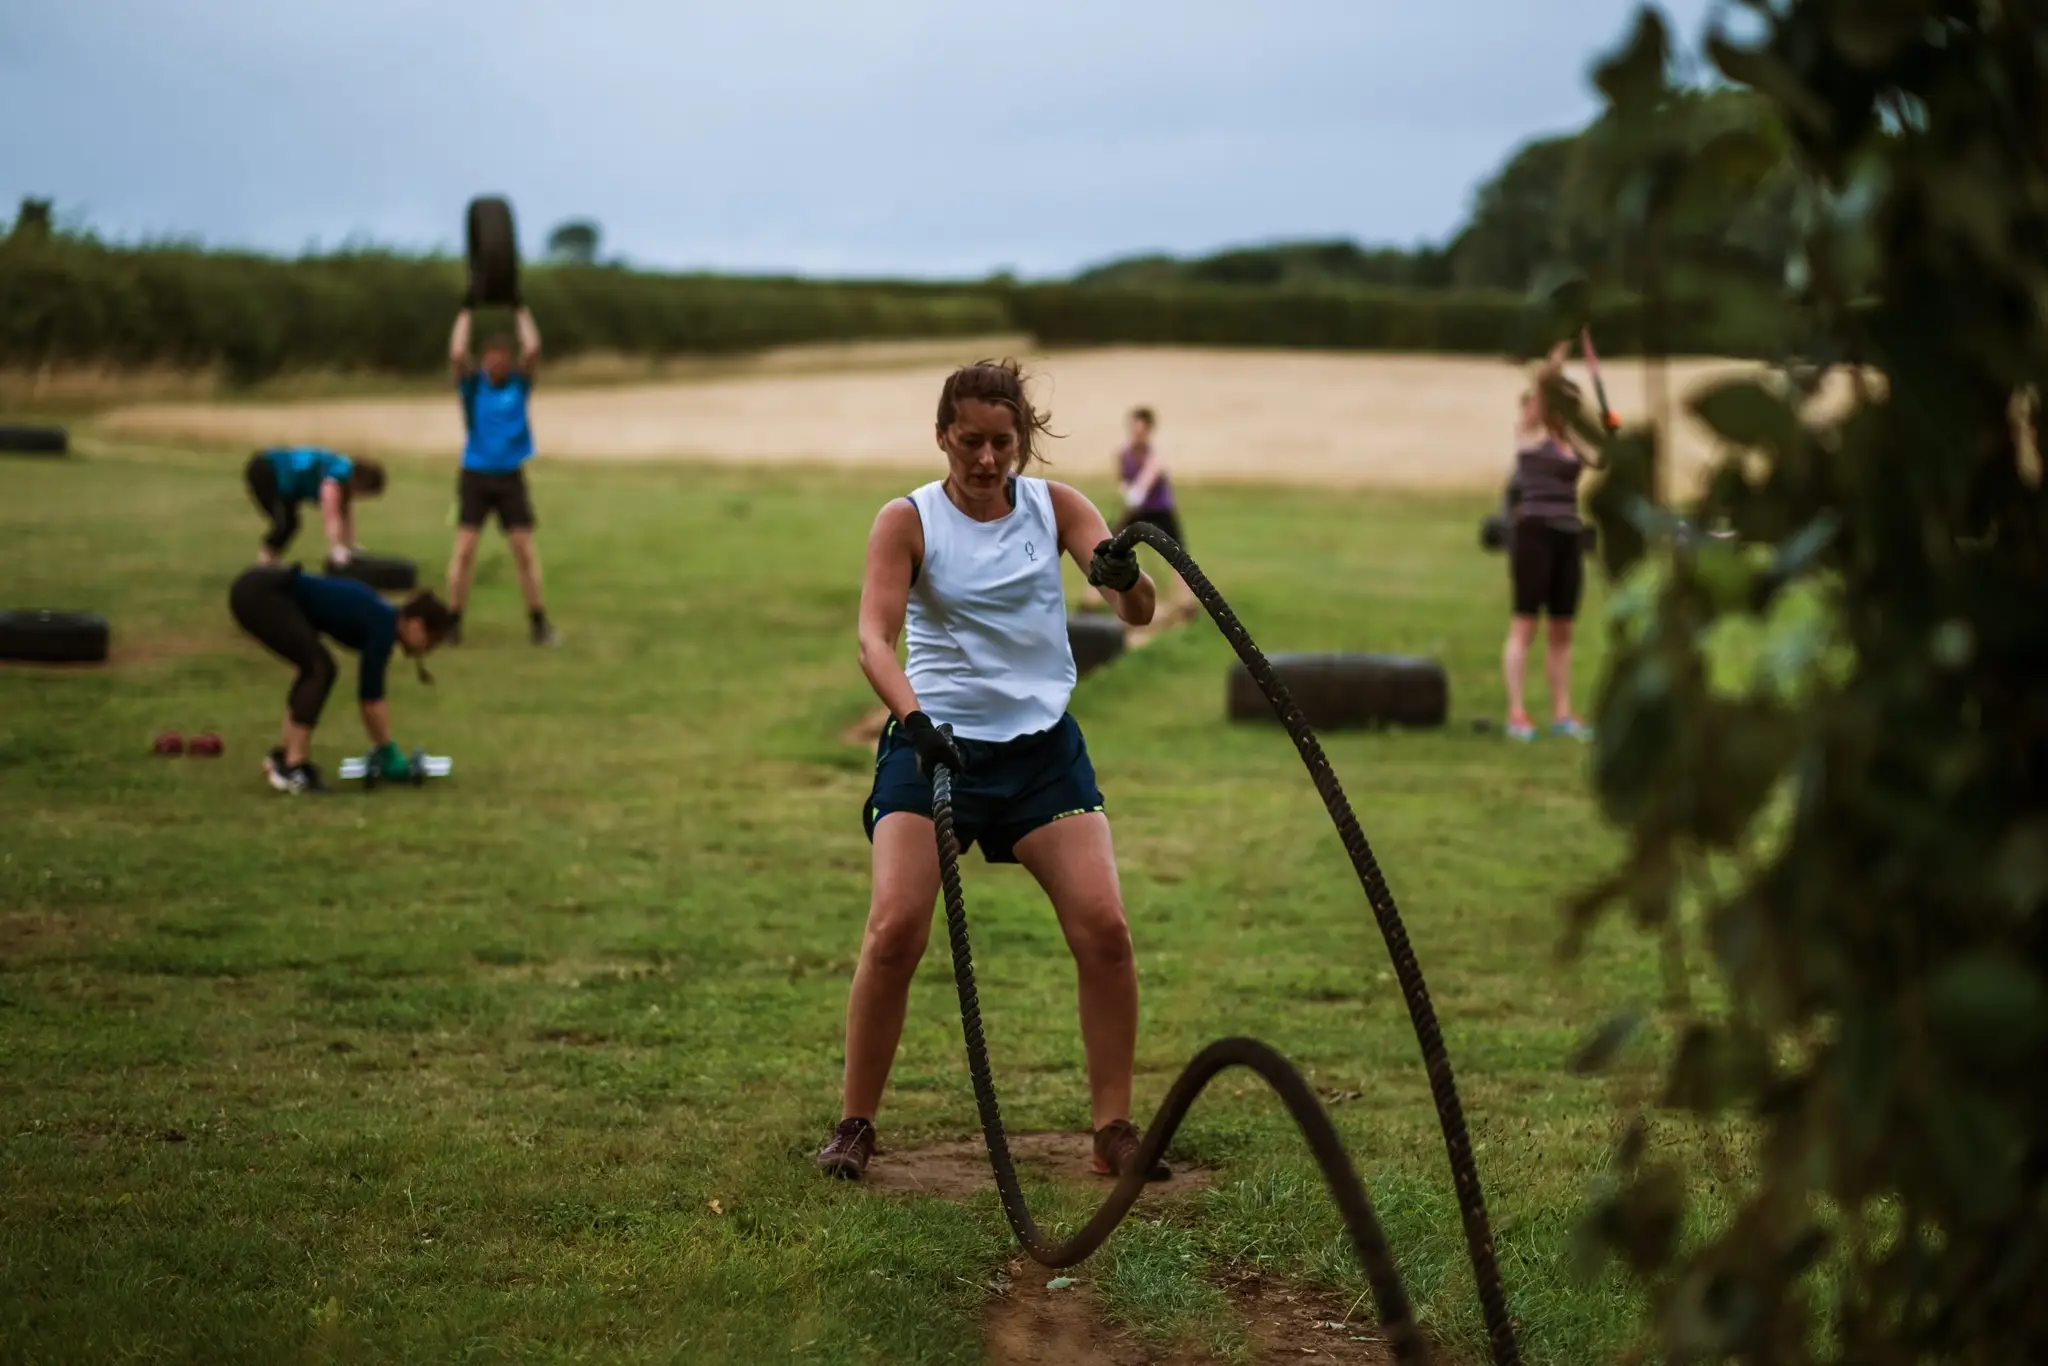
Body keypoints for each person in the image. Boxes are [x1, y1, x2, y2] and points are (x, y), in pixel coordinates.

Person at [817, 360, 1168, 1184]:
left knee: (1106, 930)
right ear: (942, 435)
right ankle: (855, 1124)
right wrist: (915, 722)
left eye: (1001, 443)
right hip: (933, 744)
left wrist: (1126, 577)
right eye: (969, 440)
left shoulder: (1058, 507)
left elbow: (1137, 609)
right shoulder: (907, 520)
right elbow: (873, 640)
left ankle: (1113, 1128)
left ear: (1022, 441)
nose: (985, 458)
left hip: (1041, 752)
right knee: (895, 928)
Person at [228, 564, 456, 793]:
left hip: (260, 588)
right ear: (416, 626)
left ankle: (284, 755)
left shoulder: (384, 616)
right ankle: (293, 766)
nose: (428, 650)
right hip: (263, 593)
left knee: (314, 668)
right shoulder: (383, 627)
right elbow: (371, 700)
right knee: (320, 669)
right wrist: (387, 751)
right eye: (431, 642)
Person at [1502, 334, 1598, 742]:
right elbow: (1544, 386)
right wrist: (1560, 352)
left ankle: (1562, 713)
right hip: (1535, 533)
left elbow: (1601, 455)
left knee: (1563, 629)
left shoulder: (1569, 442)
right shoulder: (1529, 434)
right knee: (1526, 624)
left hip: (1568, 534)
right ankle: (1517, 713)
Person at [447, 301, 557, 646]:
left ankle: (538, 622)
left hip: (510, 477)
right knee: (465, 551)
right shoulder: (472, 386)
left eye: (502, 358)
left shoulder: (518, 384)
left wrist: (520, 308)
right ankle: (453, 622)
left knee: (523, 551)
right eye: (490, 358)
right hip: (475, 476)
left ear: (507, 361)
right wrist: (466, 310)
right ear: (483, 360)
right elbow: (457, 351)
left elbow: (533, 348)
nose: (496, 364)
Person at [1113, 406, 1195, 617]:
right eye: (1134, 429)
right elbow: (1122, 479)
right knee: (1111, 548)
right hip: (1136, 513)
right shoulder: (1124, 453)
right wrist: (1126, 492)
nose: (1137, 434)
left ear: (1148, 431)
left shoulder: (1154, 455)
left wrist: (1136, 493)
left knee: (1178, 555)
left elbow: (1147, 479)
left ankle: (1186, 604)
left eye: (1141, 430)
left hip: (1160, 511)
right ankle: (1094, 600)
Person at [244, 446, 384, 567]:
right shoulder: (336, 476)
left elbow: (345, 514)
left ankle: (269, 563)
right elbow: (332, 515)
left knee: (289, 523)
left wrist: (350, 546)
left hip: (285, 483)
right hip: (267, 470)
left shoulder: (345, 474)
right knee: (286, 523)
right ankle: (266, 564)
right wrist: (336, 548)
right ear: (360, 482)